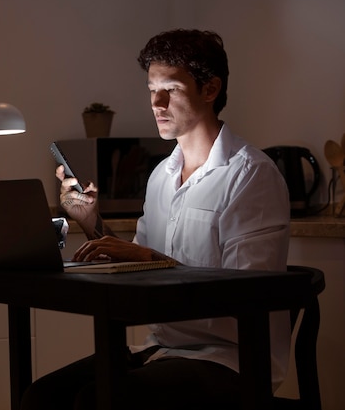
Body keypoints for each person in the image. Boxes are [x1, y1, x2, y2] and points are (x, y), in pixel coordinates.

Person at [21, 29, 291, 410]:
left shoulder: (251, 175)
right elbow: (136, 261)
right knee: (42, 397)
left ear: (210, 89)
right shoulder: (162, 175)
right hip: (161, 349)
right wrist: (90, 221)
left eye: (172, 90)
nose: (157, 103)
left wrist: (151, 259)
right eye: (151, 90)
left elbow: (247, 293)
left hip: (230, 361)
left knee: (99, 400)